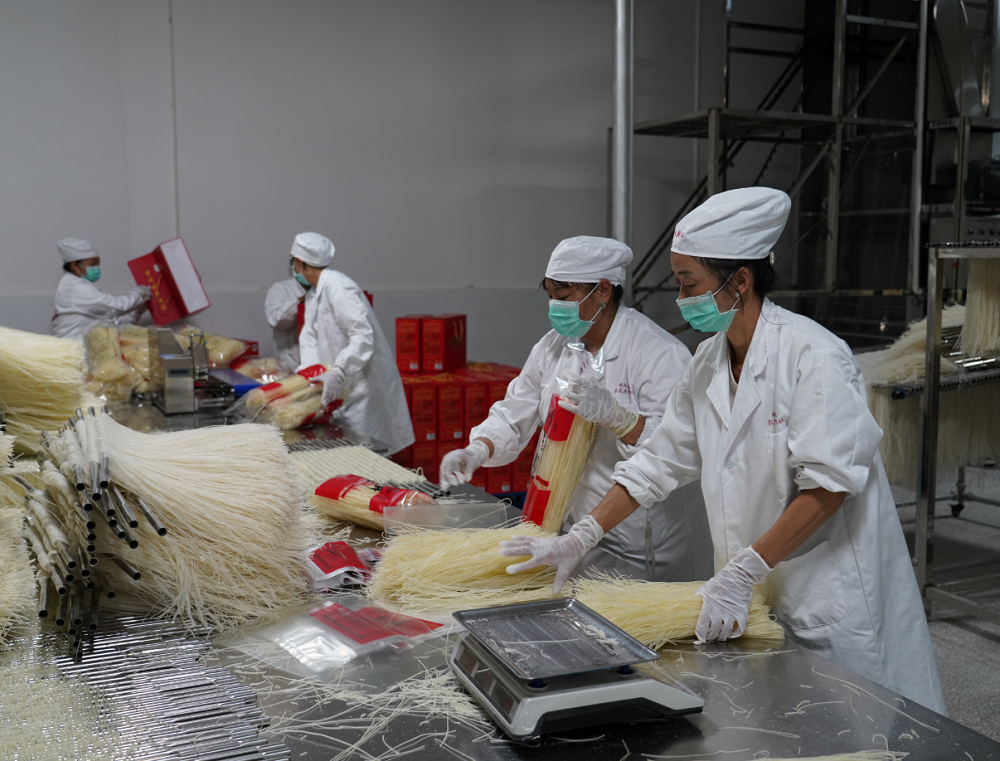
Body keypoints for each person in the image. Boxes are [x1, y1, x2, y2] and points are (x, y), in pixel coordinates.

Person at [498, 189, 946, 714]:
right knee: (772, 720)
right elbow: (658, 460)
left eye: (689, 284)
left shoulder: (814, 356)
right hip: (753, 591)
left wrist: (742, 571)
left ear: (740, 281)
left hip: (825, 592)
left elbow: (828, 487)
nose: (680, 298)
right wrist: (582, 536)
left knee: (850, 725)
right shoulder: (708, 361)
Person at [442, 236, 713, 585]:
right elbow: (514, 412)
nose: (555, 306)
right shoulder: (553, 347)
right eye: (551, 296)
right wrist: (477, 450)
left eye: (564, 296)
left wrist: (621, 419)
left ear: (603, 291)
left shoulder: (658, 353)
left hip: (647, 545)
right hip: (579, 532)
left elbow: (678, 450)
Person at [293, 232, 414, 455]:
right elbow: (309, 342)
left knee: (370, 454)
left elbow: (362, 335)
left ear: (299, 263)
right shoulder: (313, 296)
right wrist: (309, 378)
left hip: (362, 389)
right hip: (339, 392)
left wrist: (339, 370)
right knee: (350, 454)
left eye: (293, 263)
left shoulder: (338, 286)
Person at [53, 237, 150, 341]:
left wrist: (137, 310)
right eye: (92, 264)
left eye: (97, 263)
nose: (97, 268)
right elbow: (116, 305)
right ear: (74, 266)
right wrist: (139, 293)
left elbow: (110, 320)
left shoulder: (81, 286)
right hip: (73, 347)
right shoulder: (76, 287)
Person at [265, 272, 307, 373]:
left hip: (321, 364)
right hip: (290, 366)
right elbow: (276, 321)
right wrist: (300, 301)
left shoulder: (326, 290)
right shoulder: (281, 289)